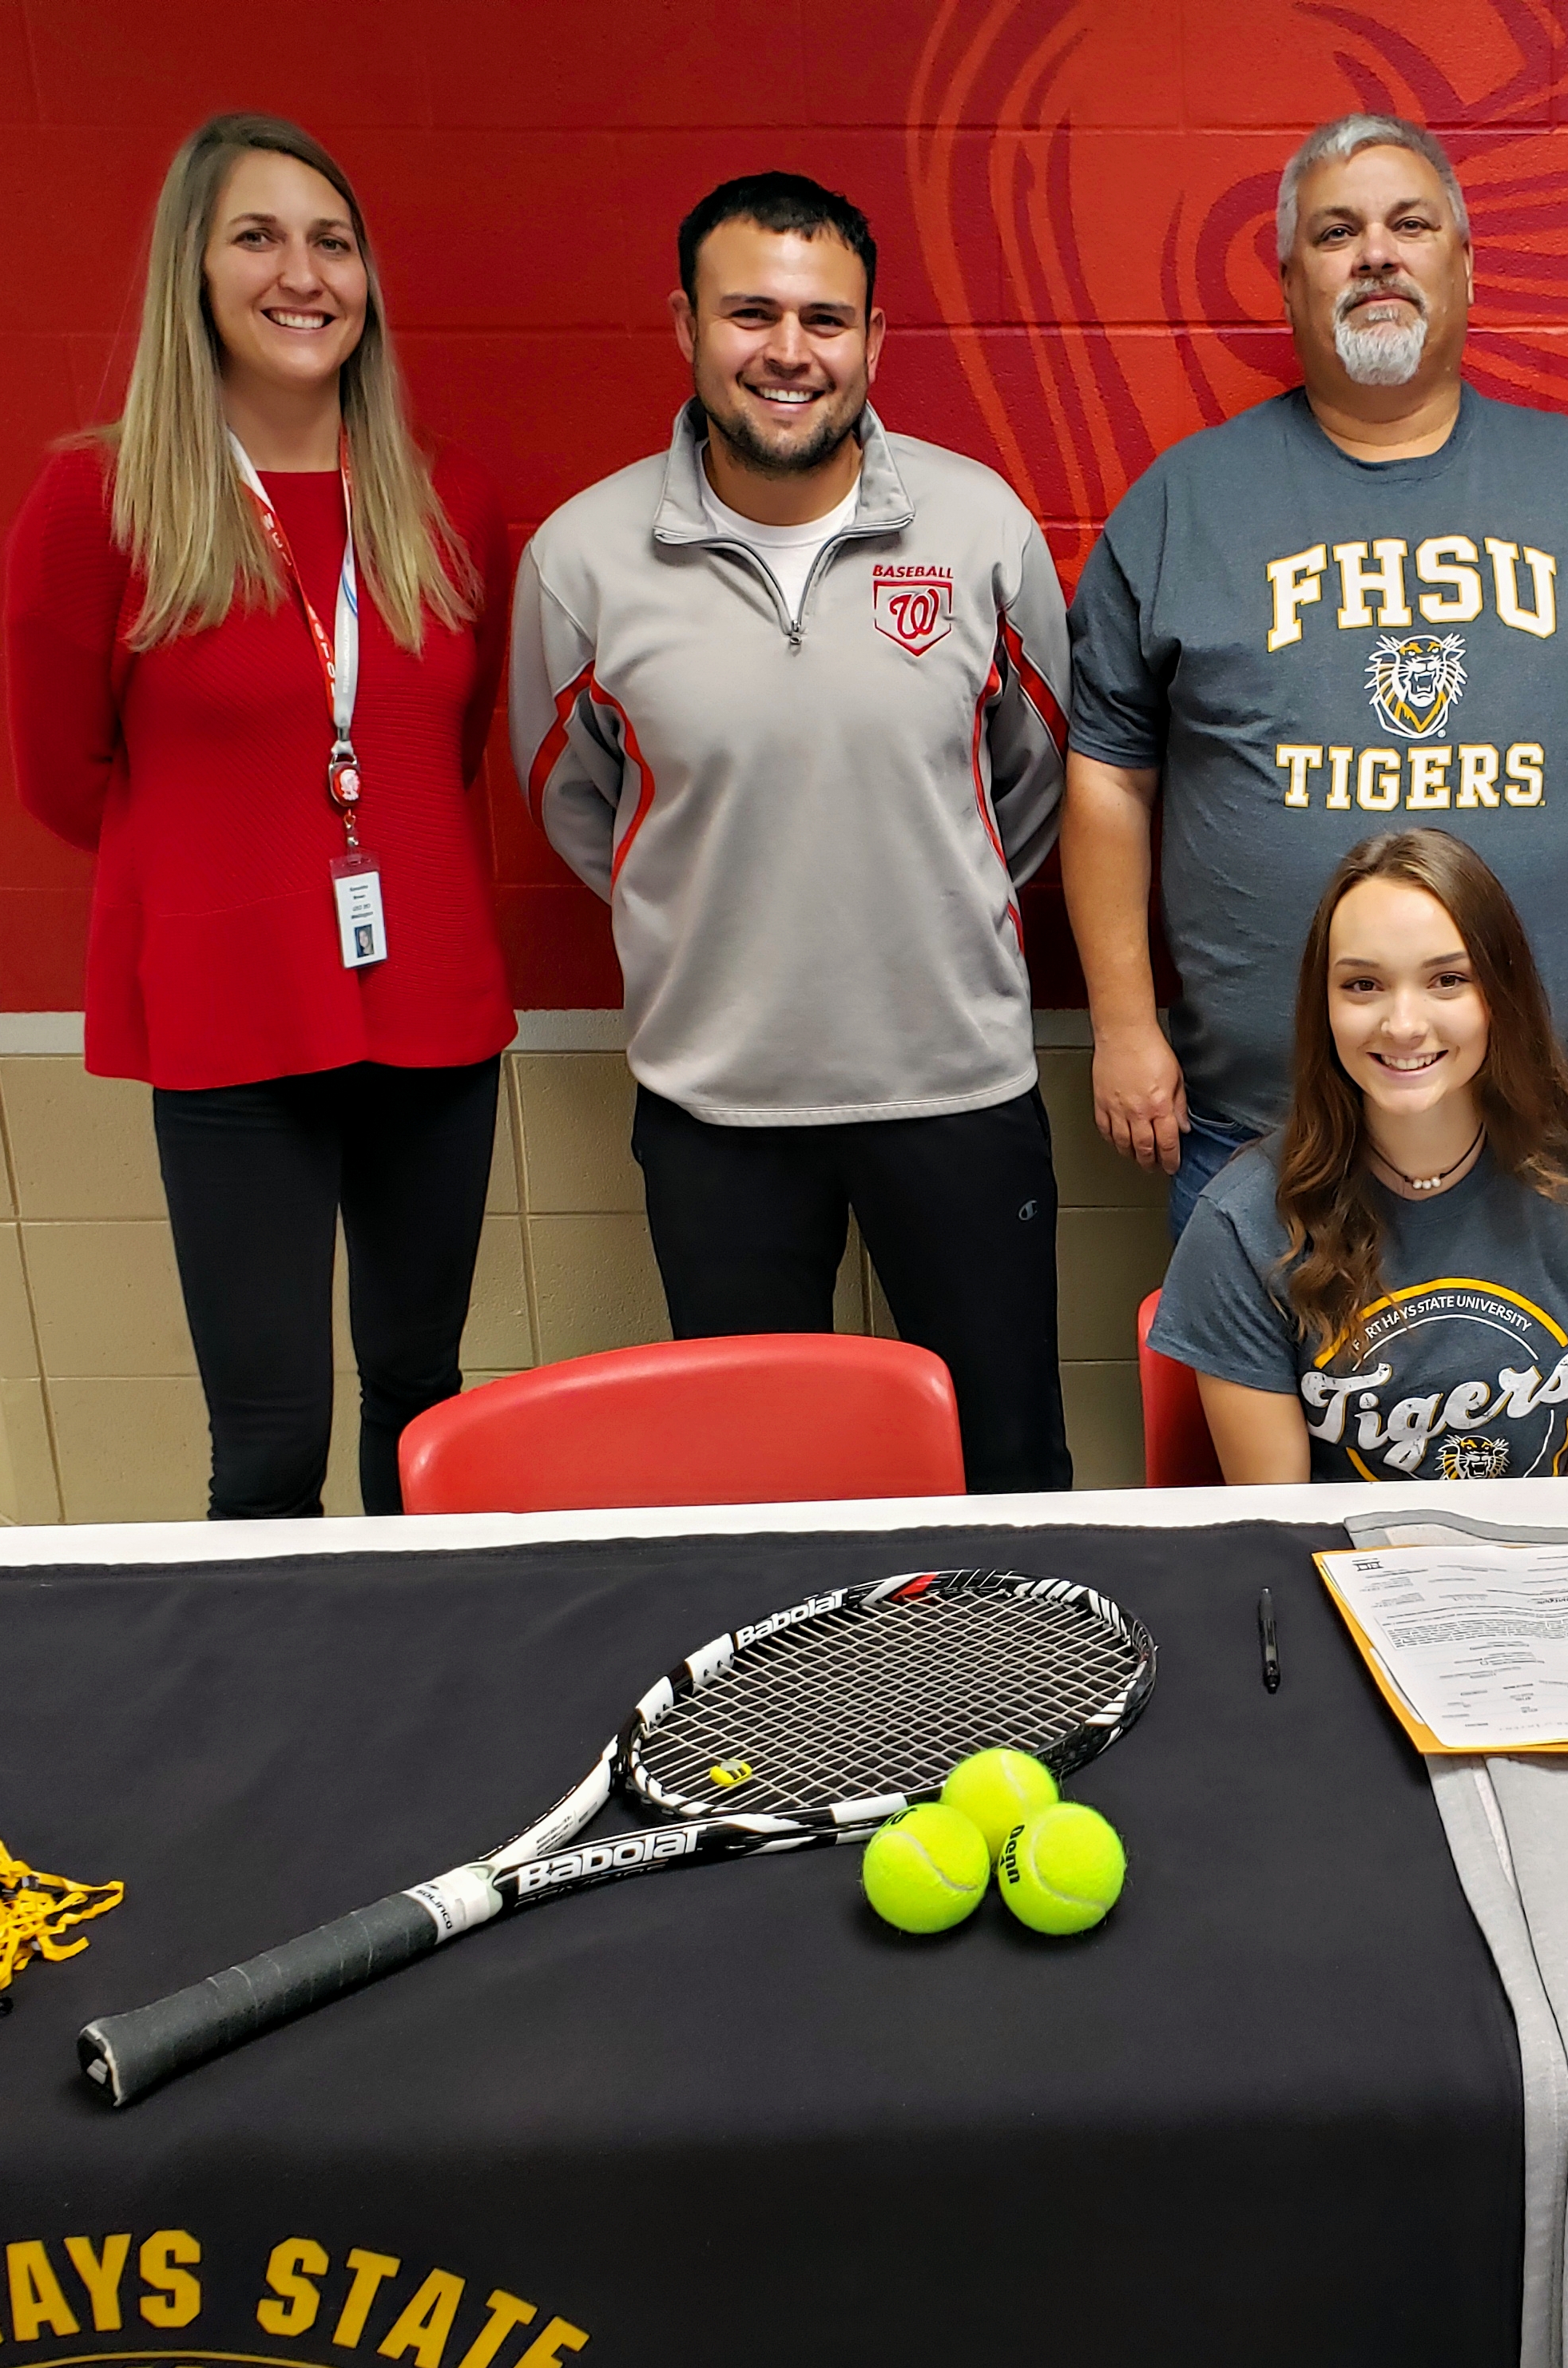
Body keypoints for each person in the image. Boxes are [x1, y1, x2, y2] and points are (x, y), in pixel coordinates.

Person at [1062, 113, 1568, 1238]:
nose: (1376, 252)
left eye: (1410, 224)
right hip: (1261, 1135)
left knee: (1519, 1419)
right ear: (1291, 281)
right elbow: (1107, 780)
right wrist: (1125, 1023)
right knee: (1262, 1417)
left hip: (1534, 1125)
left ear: (1463, 264)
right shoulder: (1186, 504)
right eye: (1337, 232)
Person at [513, 173, 1074, 1492]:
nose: (787, 351)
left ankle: (1012, 1696)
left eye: (825, 319)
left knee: (1002, 1460)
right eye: (749, 312)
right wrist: (719, 903)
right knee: (761, 1483)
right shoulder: (582, 559)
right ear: (686, 326)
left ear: (873, 343)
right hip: (719, 1103)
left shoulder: (979, 527)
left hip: (956, 1087)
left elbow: (1034, 781)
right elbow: (579, 802)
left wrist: (931, 890)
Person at [5, 113, 510, 1519]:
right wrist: (243, 880)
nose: (305, 273)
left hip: (428, 1011)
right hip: (232, 1021)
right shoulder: (97, 500)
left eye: (332, 241)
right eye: (259, 235)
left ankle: (415, 1688)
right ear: (196, 272)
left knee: (422, 1400)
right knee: (271, 1438)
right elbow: (64, 778)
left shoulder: (448, 497)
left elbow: (442, 750)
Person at [1149, 831, 1568, 1483]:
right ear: (1323, 1006)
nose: (1404, 1024)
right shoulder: (1242, 1222)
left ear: (1499, 995)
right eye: (1363, 985)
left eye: (1447, 980)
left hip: (1543, 1576)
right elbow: (1282, 1523)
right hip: (1339, 1575)